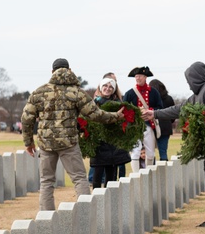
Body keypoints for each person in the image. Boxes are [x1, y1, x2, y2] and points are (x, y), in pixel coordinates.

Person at [142, 62, 205, 229]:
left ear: (196, 77)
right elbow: (179, 109)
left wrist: (199, 124)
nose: (188, 83)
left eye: (189, 79)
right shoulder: (196, 96)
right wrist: (154, 114)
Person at [22, 58, 127, 211]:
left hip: (46, 143)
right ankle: (86, 214)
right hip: (69, 143)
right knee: (79, 179)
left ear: (52, 72)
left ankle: (46, 217)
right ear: (69, 70)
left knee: (46, 182)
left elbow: (26, 118)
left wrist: (28, 142)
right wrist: (116, 116)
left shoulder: (39, 92)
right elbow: (95, 114)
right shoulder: (76, 92)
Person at [90, 76, 131, 188]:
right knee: (97, 175)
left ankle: (110, 201)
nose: (107, 88)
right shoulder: (93, 103)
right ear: (100, 86)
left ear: (114, 90)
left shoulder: (118, 104)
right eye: (105, 86)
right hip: (99, 143)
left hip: (113, 144)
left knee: (111, 176)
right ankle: (97, 200)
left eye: (110, 87)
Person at [124, 66, 162, 172]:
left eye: (140, 76)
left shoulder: (154, 92)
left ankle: (148, 174)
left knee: (150, 152)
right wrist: (135, 114)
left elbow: (160, 107)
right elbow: (124, 109)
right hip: (135, 126)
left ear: (145, 77)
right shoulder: (130, 93)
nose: (137, 78)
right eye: (136, 76)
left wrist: (150, 110)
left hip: (149, 125)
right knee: (135, 151)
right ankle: (136, 175)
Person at [149, 78, 174, 161]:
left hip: (152, 126)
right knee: (163, 152)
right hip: (166, 127)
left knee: (150, 152)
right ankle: (164, 171)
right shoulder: (169, 98)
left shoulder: (151, 99)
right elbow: (173, 115)